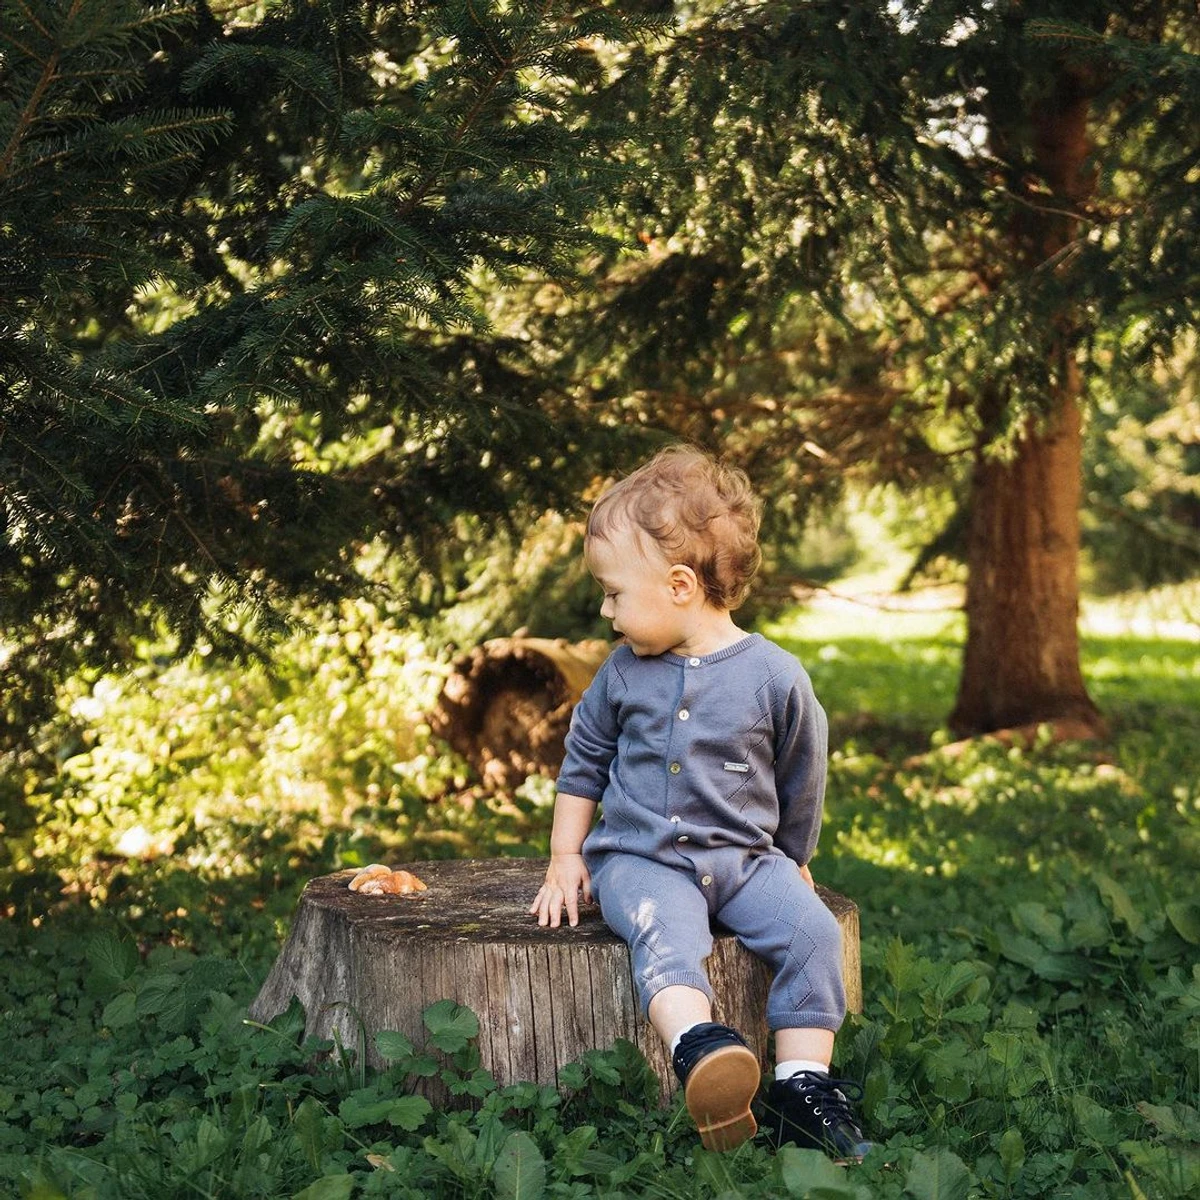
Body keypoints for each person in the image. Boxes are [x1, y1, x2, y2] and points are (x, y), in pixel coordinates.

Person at [528, 444, 871, 1159]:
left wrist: (795, 859)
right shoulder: (622, 674)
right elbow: (584, 760)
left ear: (680, 585)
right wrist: (566, 856)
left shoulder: (775, 676)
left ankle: (802, 1086)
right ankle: (700, 1048)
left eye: (615, 593)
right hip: (641, 861)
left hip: (744, 860)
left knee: (812, 933)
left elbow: (803, 770)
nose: (605, 609)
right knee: (664, 933)